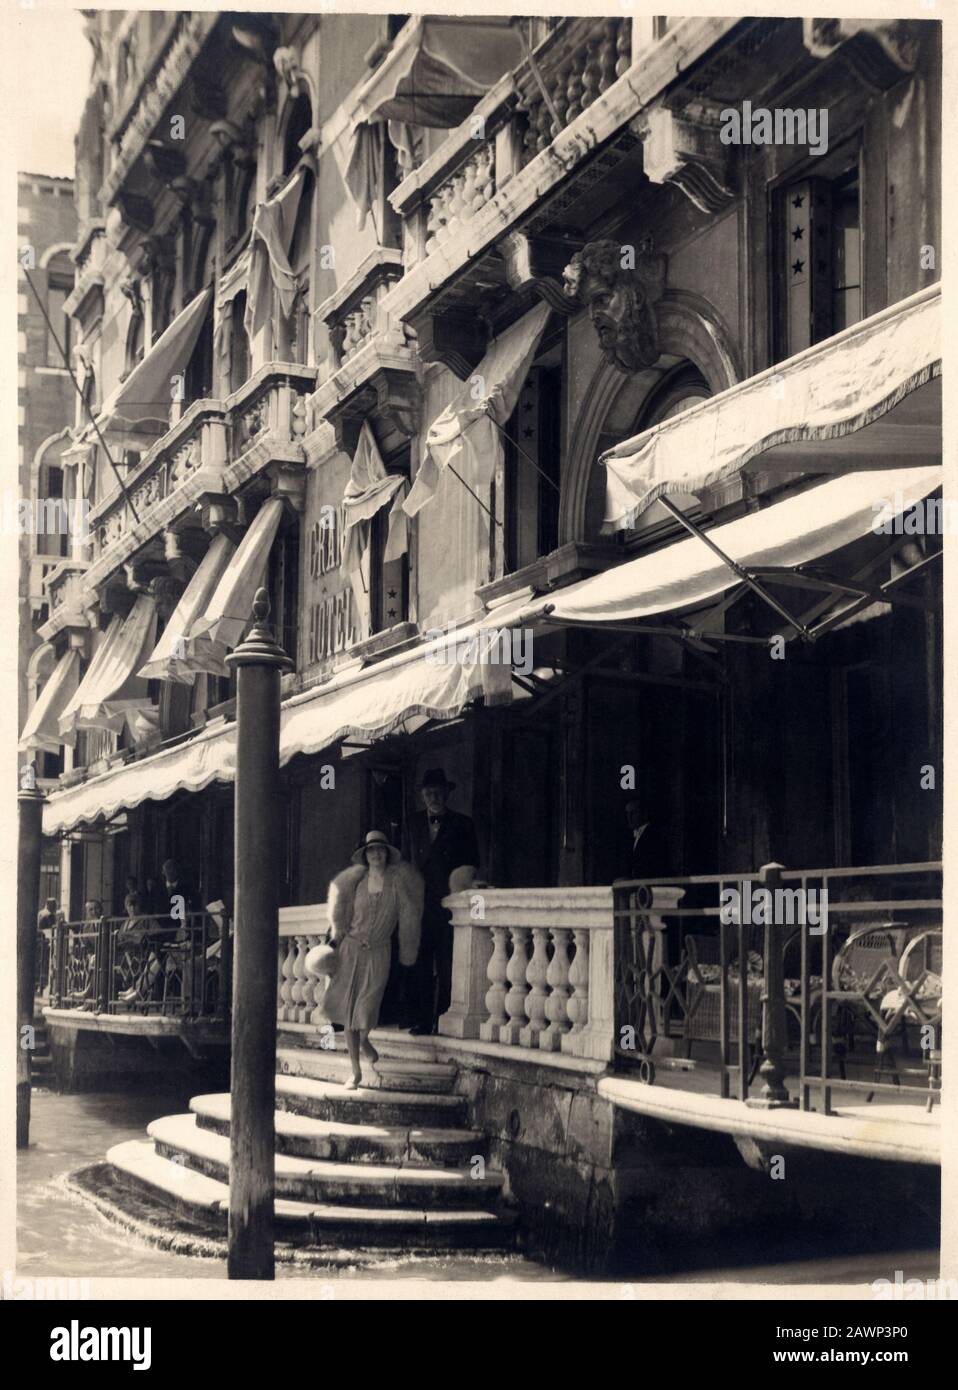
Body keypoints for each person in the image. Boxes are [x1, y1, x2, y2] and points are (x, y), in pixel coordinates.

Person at [321, 830, 423, 1089]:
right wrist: (333, 945)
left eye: (380, 850)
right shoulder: (355, 882)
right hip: (350, 951)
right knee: (347, 1013)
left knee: (367, 1008)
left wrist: (409, 944)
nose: (376, 854)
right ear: (365, 856)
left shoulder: (398, 882)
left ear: (387, 854)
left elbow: (409, 916)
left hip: (379, 952)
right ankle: (355, 1072)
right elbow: (342, 918)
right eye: (371, 850)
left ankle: (365, 1040)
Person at [405, 768, 479, 1035]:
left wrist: (460, 889)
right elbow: (404, 863)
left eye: (437, 792)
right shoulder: (412, 823)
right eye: (428, 793)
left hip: (449, 905)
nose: (433, 797)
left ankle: (443, 1018)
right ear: (423, 796)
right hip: (419, 904)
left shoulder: (463, 824)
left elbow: (472, 863)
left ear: (447, 793)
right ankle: (423, 1020)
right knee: (421, 962)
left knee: (448, 961)